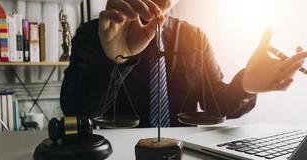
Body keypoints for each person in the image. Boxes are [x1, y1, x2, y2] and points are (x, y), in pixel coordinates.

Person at [60, 0, 307, 127]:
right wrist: (110, 60)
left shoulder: (195, 37)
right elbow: (75, 110)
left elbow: (216, 103)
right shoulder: (95, 34)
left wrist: (246, 85)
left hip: (186, 159)